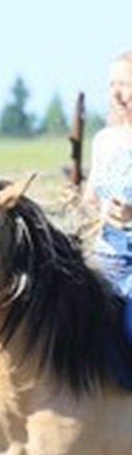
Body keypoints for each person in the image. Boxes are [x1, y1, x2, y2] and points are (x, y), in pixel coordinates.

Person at [82, 51, 132, 313]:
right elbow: (91, 201)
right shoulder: (104, 140)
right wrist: (79, 203)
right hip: (104, 262)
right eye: (111, 85)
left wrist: (130, 215)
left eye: (124, 85)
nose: (115, 93)